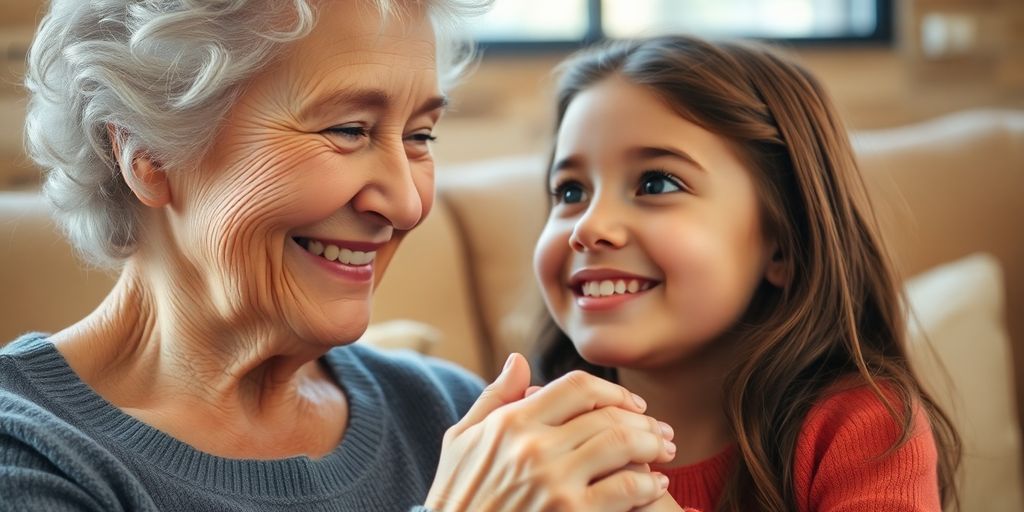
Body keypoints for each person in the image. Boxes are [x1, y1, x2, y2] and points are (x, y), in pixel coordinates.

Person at [0, 1, 677, 510]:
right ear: (147, 154)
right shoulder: (31, 455)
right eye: (348, 130)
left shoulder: (447, 413)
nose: (407, 204)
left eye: (419, 136)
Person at [531, 36, 961, 511]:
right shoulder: (531, 443)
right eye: (570, 192)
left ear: (783, 243)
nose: (589, 227)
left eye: (656, 183)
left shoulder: (864, 428)